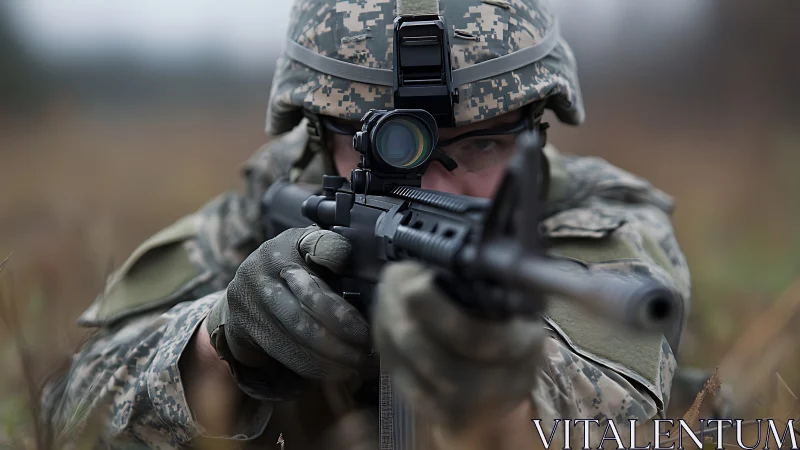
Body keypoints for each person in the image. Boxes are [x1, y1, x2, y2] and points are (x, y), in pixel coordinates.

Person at [42, 0, 690, 448]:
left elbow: (604, 420)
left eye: (485, 144)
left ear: (536, 127)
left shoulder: (601, 221)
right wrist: (220, 347)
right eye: (391, 145)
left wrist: (497, 389)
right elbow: (68, 414)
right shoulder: (272, 200)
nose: (433, 187)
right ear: (318, 135)